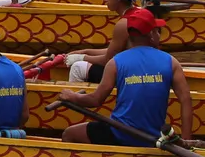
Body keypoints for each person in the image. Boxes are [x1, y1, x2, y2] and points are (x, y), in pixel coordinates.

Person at [57, 8, 194, 145]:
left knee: (69, 134)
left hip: (119, 134)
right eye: (157, 31)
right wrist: (186, 141)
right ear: (151, 34)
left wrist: (72, 96)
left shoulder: (115, 63)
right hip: (153, 137)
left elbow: (95, 100)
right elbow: (186, 100)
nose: (159, 35)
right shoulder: (171, 62)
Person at [63, 0, 141, 82]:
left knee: (77, 67)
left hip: (132, 77)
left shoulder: (123, 24)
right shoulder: (139, 12)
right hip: (139, 69)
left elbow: (108, 59)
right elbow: (113, 51)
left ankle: (75, 98)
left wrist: (81, 58)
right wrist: (84, 51)